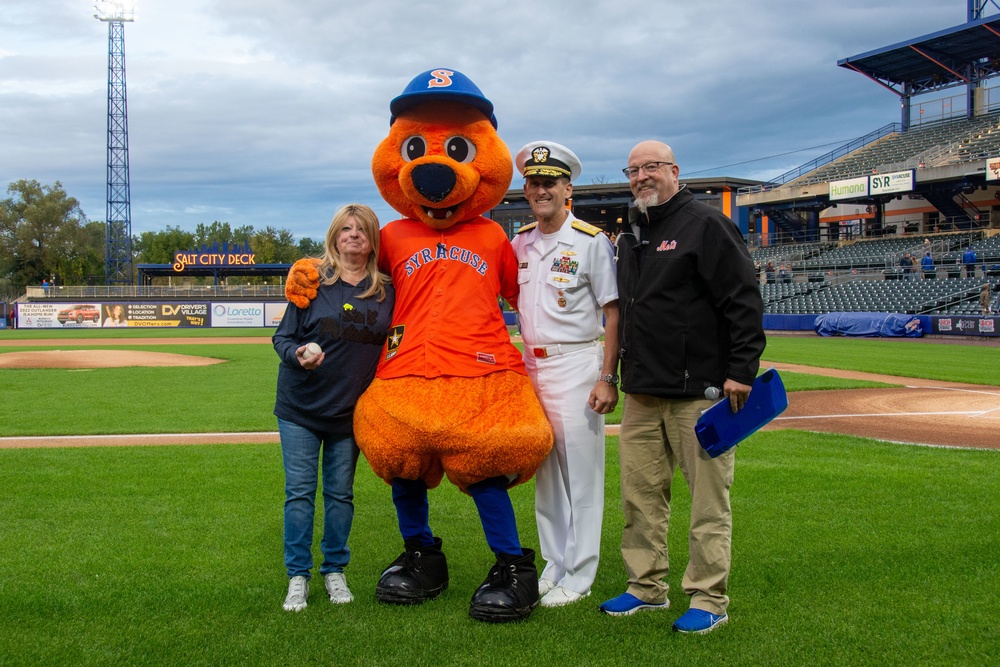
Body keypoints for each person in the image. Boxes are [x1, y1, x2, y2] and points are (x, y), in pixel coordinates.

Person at [599, 141, 765, 635]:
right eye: (634, 170)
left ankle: (709, 597)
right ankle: (646, 587)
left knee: (708, 501)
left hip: (702, 394)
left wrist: (742, 370)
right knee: (640, 498)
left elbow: (743, 299)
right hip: (644, 394)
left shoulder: (706, 223)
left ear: (674, 170)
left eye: (652, 167)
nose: (642, 177)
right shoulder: (631, 233)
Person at [509, 141, 620, 608]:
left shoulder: (590, 242)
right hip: (532, 366)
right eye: (533, 183)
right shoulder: (520, 242)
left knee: (582, 474)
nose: (540, 190)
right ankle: (554, 564)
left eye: (549, 182)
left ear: (567, 187)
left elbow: (613, 313)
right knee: (547, 474)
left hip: (576, 362)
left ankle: (580, 572)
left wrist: (607, 377)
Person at [272, 204, 395, 612]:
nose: (353, 235)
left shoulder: (386, 290)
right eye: (345, 229)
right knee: (300, 493)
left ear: (373, 238)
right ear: (334, 237)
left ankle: (334, 570)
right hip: (301, 407)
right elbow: (282, 338)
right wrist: (298, 353)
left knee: (340, 495)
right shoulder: (312, 282)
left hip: (350, 412)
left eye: (361, 229)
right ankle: (298, 576)